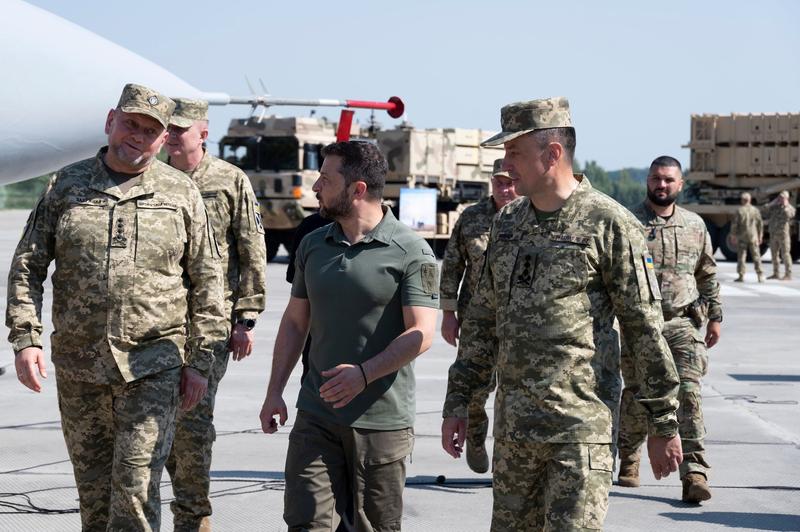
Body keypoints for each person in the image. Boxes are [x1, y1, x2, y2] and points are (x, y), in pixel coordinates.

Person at [441, 97, 682, 531]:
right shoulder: (508, 222)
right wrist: (462, 401)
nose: (505, 164)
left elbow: (643, 327)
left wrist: (663, 422)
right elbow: (481, 320)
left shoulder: (610, 224)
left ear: (552, 153)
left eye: (514, 153)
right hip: (515, 434)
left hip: (579, 432)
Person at [6, 83, 227, 531]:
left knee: (134, 490)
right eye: (130, 124)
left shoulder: (180, 193)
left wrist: (200, 363)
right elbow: (27, 265)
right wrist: (25, 339)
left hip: (153, 365)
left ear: (164, 138)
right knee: (94, 494)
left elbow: (209, 282)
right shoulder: (66, 185)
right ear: (110, 122)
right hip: (80, 367)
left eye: (150, 130)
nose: (137, 136)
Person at [259, 141, 439, 531]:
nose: (316, 187)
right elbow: (294, 322)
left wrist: (364, 373)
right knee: (306, 523)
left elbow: (422, 333)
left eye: (325, 178)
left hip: (380, 423)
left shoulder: (411, 251)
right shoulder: (312, 244)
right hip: (316, 415)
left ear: (357, 189)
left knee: (374, 526)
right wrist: (275, 391)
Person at [164, 97, 267, 531]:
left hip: (210, 323)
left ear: (202, 132)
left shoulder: (229, 180)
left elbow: (252, 248)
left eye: (179, 129)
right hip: (158, 320)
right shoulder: (156, 179)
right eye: (166, 128)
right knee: (155, 419)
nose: (169, 135)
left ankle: (194, 517)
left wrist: (245, 319)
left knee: (191, 419)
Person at [616, 156, 723, 503]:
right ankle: (629, 457)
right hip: (639, 325)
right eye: (656, 179)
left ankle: (694, 471)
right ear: (647, 181)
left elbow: (707, 272)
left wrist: (715, 315)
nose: (661, 185)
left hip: (681, 322)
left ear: (680, 184)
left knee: (688, 392)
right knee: (636, 393)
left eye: (668, 180)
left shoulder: (695, 225)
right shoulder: (628, 222)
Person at [439, 158, 519, 473]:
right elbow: (452, 265)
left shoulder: (532, 217)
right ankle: (474, 433)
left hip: (520, 321)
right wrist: (448, 313)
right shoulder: (472, 218)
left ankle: (511, 460)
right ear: (491, 183)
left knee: (516, 392)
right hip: (475, 317)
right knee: (473, 386)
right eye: (500, 182)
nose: (506, 188)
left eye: (512, 182)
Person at [286, 211, 331, 383]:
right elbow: (296, 284)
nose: (316, 187)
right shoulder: (311, 228)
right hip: (316, 347)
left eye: (327, 182)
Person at [731, 192, 764, 282]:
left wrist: (733, 235)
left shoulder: (740, 210)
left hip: (742, 237)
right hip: (753, 237)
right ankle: (760, 275)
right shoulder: (755, 210)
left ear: (742, 200)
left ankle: (741, 275)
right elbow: (760, 224)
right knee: (756, 256)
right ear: (749, 200)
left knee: (742, 257)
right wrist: (760, 235)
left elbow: (735, 225)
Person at [766, 190, 795, 281]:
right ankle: (776, 273)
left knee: (785, 255)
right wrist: (772, 203)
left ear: (787, 198)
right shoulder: (775, 207)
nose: (781, 199)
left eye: (783, 198)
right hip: (774, 235)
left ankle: (788, 274)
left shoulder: (790, 208)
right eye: (780, 197)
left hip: (783, 235)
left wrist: (785, 205)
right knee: (774, 255)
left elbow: (790, 215)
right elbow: (764, 209)